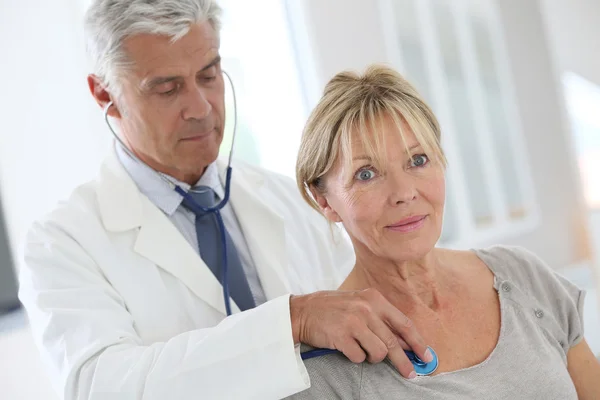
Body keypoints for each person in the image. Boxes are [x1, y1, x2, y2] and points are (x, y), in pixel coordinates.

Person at [18, 1, 434, 399]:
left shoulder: (288, 198)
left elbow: (365, 319)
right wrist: (293, 320)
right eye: (167, 89)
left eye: (208, 75)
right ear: (103, 94)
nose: (200, 108)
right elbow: (99, 388)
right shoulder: (61, 244)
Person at [288, 64, 600, 399]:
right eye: (366, 174)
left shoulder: (522, 276)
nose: (404, 193)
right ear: (324, 200)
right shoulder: (324, 369)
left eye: (418, 160)